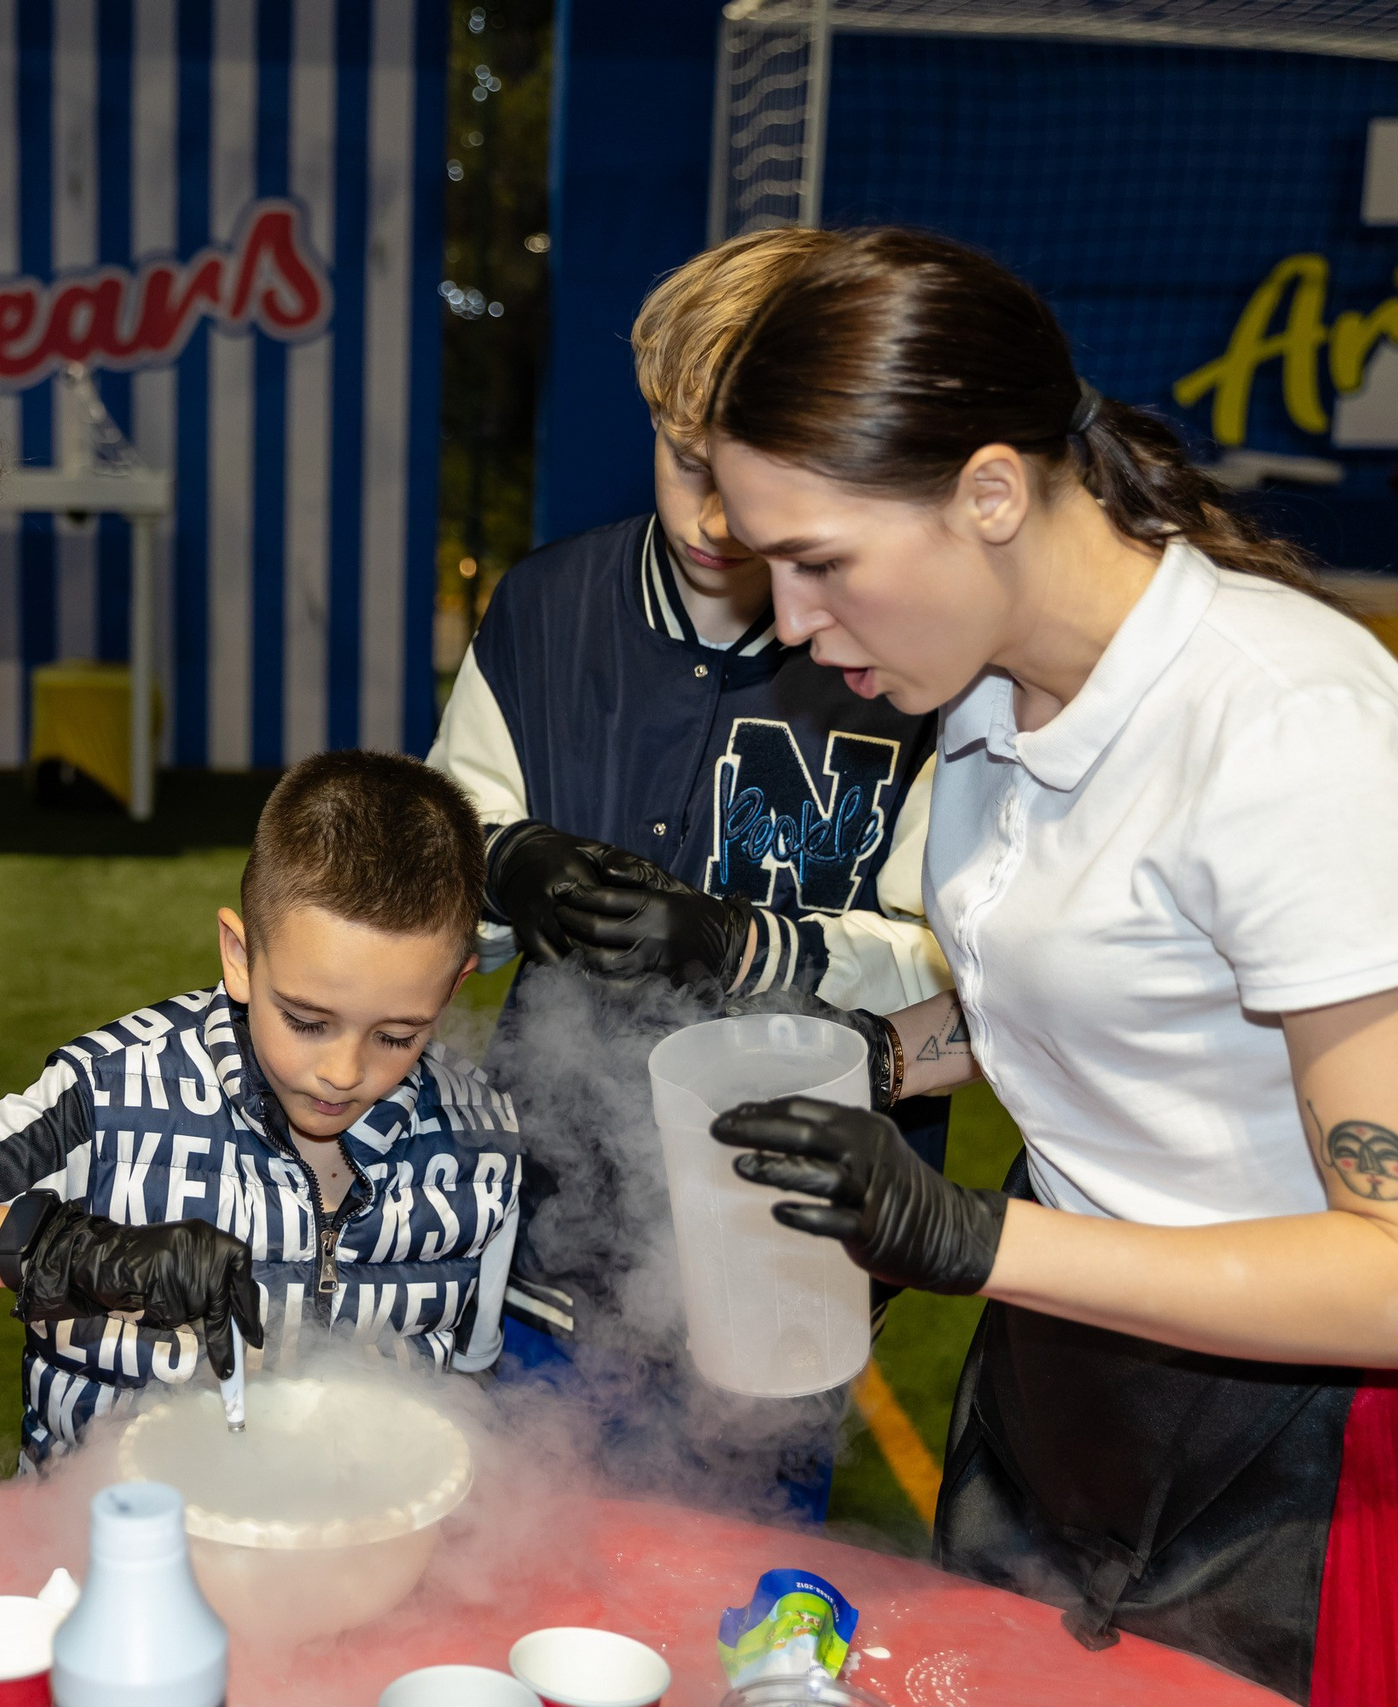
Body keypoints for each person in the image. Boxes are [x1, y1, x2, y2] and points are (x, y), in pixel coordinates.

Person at [701, 227, 1398, 1705]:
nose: (789, 621)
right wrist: (879, 1061)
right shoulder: (983, 687)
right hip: (1067, 1382)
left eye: (820, 561)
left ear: (990, 492)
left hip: (1297, 1459)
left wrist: (972, 1237)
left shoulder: (1287, 730)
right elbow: (1105, 983)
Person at [425, 229, 948, 1523]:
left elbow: (974, 973)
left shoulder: (917, 652)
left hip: (784, 1251)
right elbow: (432, 883)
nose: (719, 518)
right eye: (687, 463)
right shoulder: (549, 608)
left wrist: (744, 945)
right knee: (514, 1562)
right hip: (549, 1230)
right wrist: (507, 864)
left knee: (740, 1586)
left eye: (755, 476)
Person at [0, 751, 522, 1462]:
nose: (343, 1072)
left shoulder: (485, 1146)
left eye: (396, 1035)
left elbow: (469, 1388)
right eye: (306, 1021)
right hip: (100, 1523)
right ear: (239, 956)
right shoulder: (115, 1091)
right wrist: (84, 1254)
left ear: (452, 988)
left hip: (362, 1526)